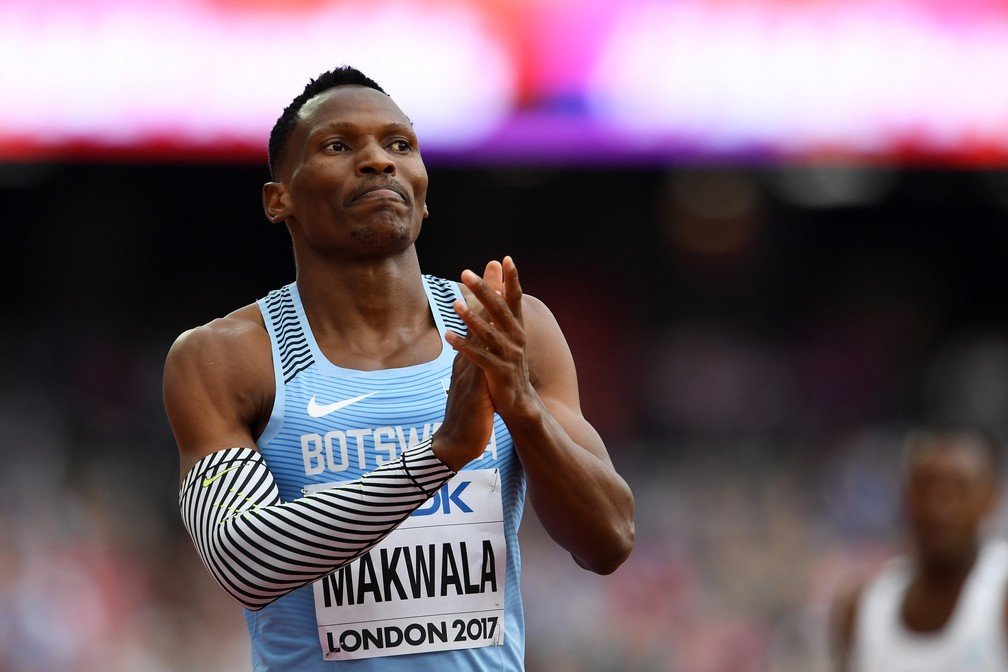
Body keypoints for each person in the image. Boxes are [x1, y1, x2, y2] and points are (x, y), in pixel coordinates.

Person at [162, 65, 635, 670]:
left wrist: (522, 405)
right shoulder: (228, 357)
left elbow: (609, 542)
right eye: (338, 146)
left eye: (399, 144)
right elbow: (246, 563)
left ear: (423, 186)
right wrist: (440, 456)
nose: (378, 161)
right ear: (278, 200)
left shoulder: (507, 331)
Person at [830, 427, 1008, 672]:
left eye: (960, 489)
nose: (940, 508)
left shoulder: (1001, 599)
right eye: (926, 487)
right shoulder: (861, 608)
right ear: (905, 495)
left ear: (991, 497)